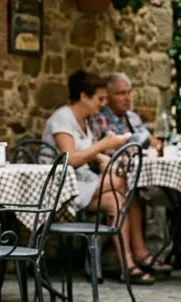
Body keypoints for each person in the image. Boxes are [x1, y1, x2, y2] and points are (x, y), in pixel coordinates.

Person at [42, 71, 146, 282]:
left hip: (80, 181)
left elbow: (86, 150)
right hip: (59, 185)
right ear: (83, 97)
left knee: (117, 201)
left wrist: (101, 157)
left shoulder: (84, 120)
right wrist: (103, 146)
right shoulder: (63, 118)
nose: (103, 103)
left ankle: (127, 264)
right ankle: (121, 256)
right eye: (100, 99)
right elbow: (69, 159)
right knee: (120, 182)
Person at [89, 73, 167, 275]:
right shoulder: (99, 118)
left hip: (137, 175)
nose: (127, 98)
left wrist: (154, 147)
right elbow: (96, 150)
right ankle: (138, 255)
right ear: (108, 95)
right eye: (121, 93)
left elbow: (152, 141)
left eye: (129, 93)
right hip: (110, 174)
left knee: (157, 193)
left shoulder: (132, 118)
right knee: (129, 193)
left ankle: (143, 255)